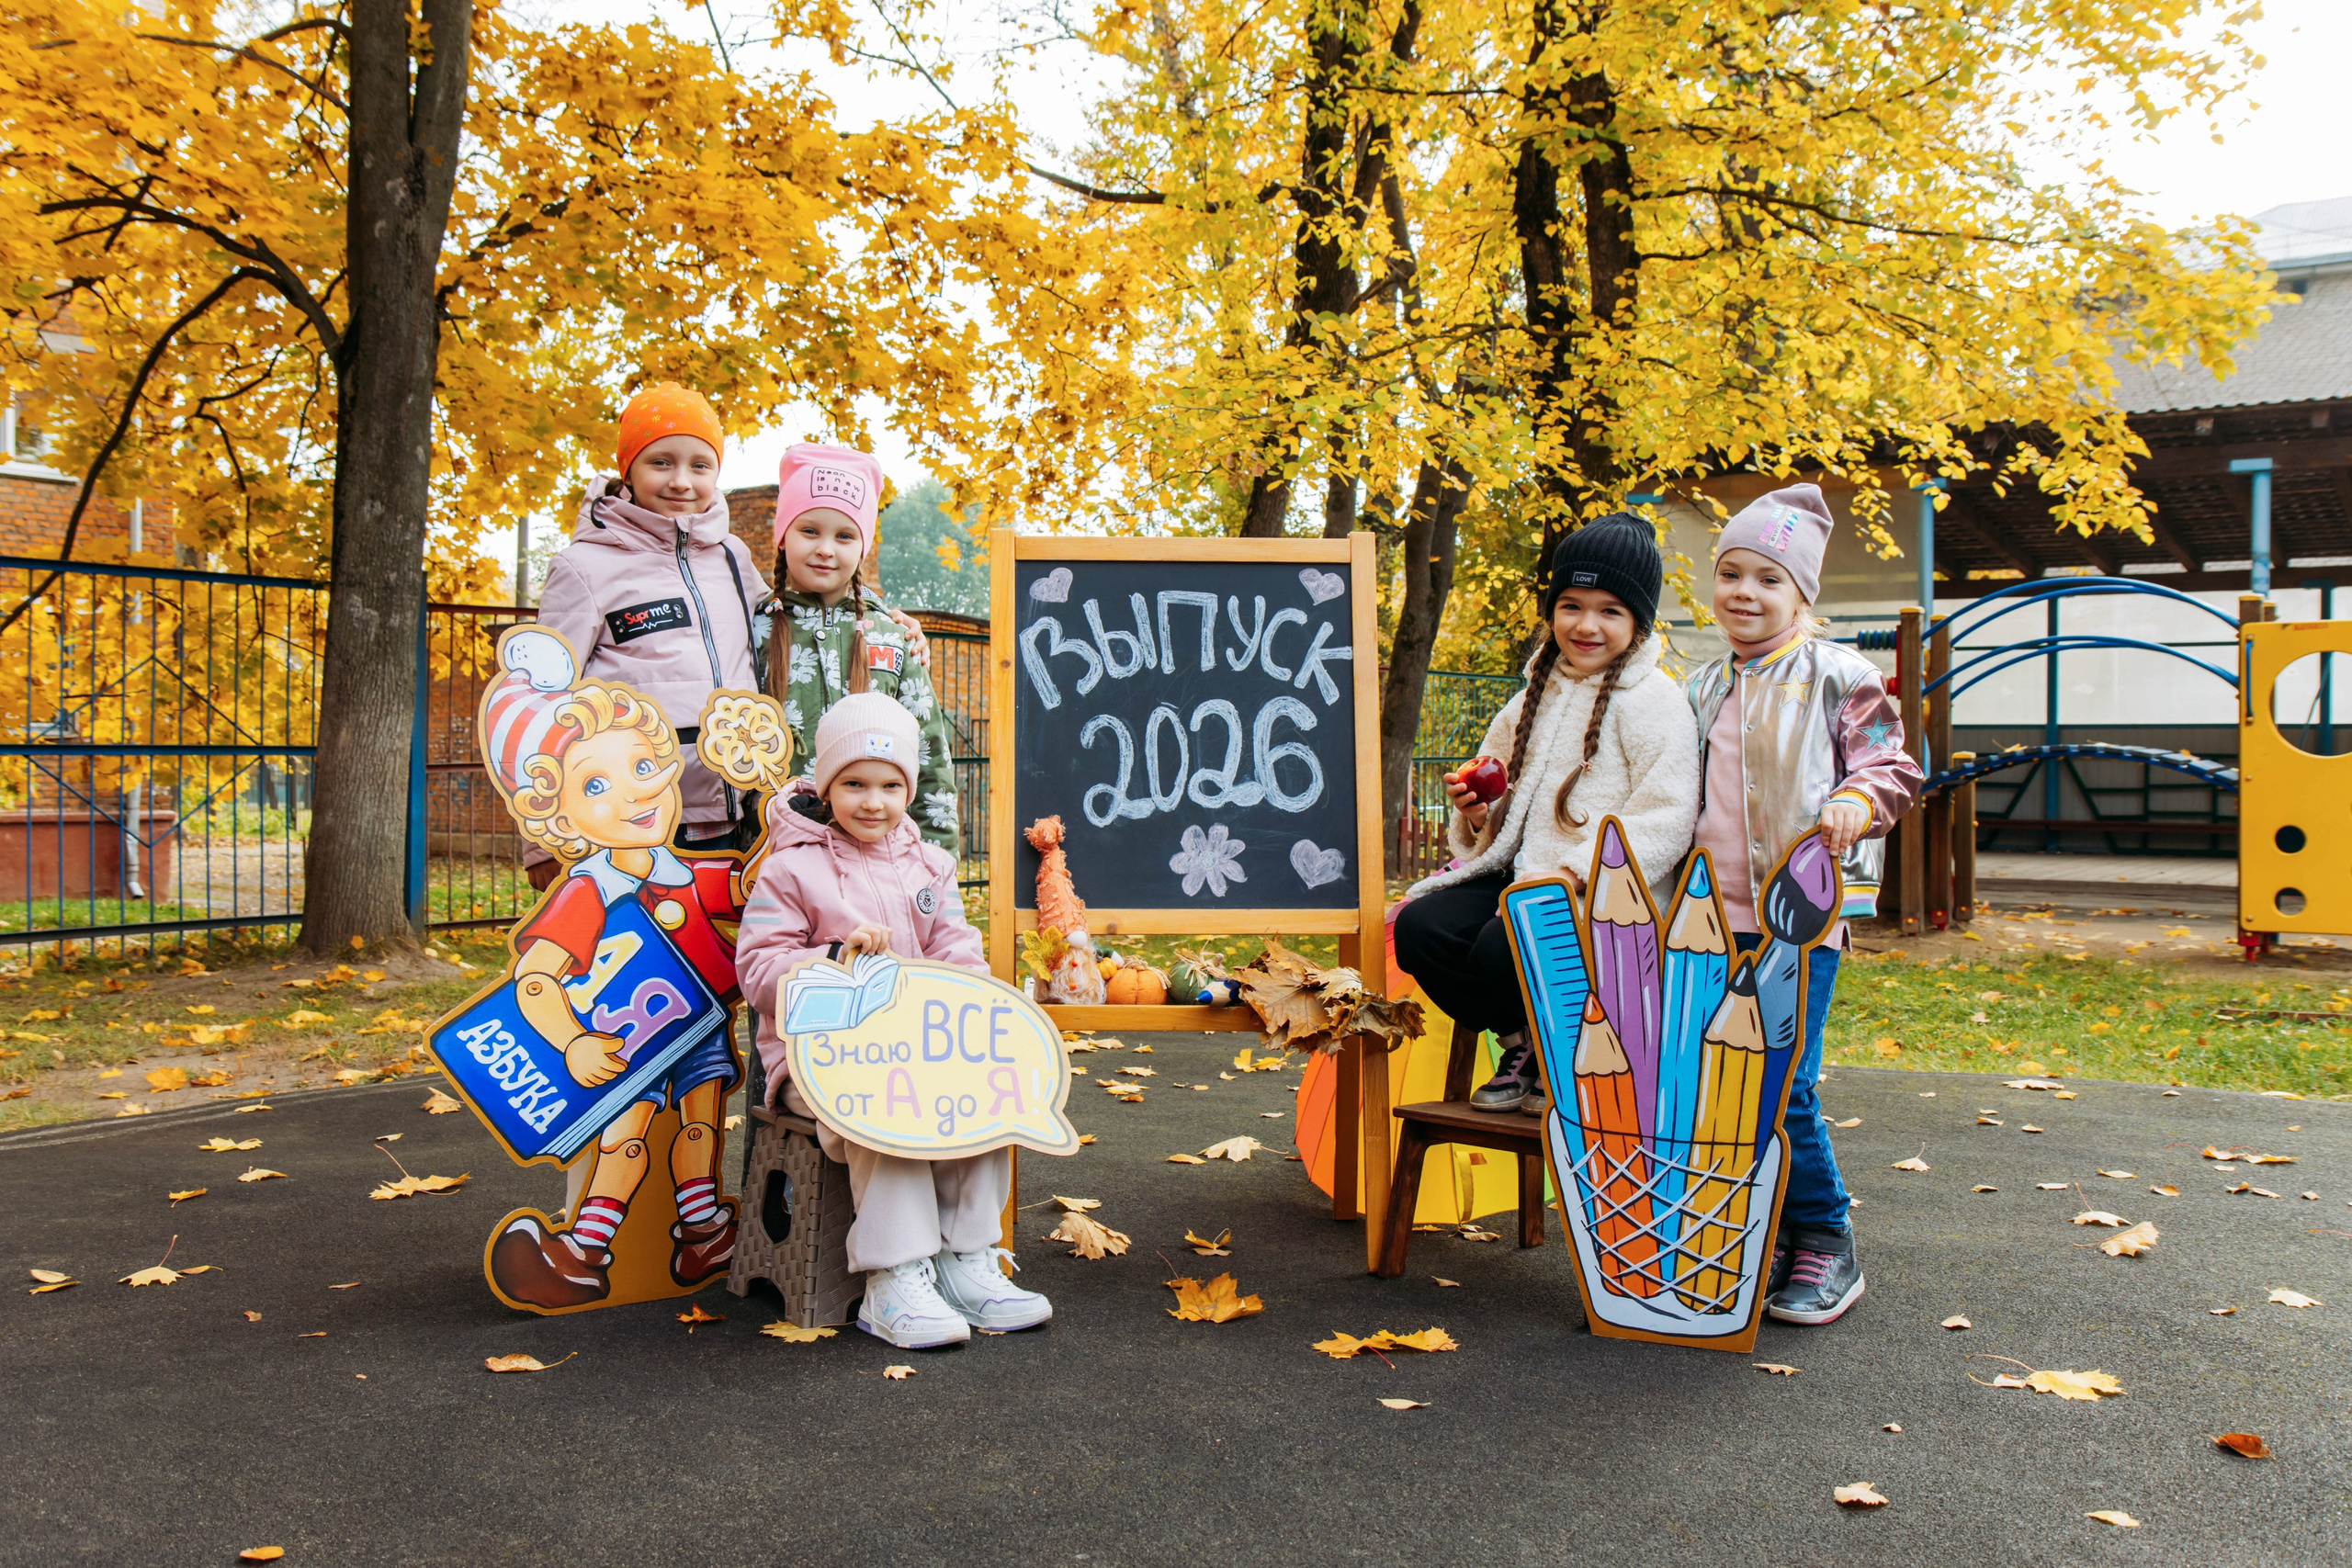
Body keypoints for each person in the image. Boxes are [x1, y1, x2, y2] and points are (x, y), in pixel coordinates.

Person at [733, 693, 1049, 1348]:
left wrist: (978, 1005)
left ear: (908, 788)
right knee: (887, 1109)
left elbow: (956, 950)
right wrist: (831, 960)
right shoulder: (792, 868)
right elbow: (759, 968)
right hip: (818, 1057)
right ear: (826, 784)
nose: (872, 801)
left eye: (889, 785)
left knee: (985, 1098)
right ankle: (895, 1277)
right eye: (853, 783)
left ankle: (967, 1258)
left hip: (921, 1044)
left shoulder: (928, 866)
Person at [1684, 482, 1922, 1326]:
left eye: (1769, 579)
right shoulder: (1702, 686)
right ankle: (1769, 1230)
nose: (1745, 592)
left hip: (1799, 921)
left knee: (1782, 1085)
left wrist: (1859, 802)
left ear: (1802, 594)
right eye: (1732, 574)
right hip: (1707, 921)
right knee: (1719, 1078)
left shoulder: (1839, 677)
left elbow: (1892, 765)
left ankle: (1826, 1236)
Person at [473, 628, 746, 1309]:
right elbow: (534, 977)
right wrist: (572, 1041)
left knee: (701, 1127)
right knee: (623, 1140)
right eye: (596, 783)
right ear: (557, 812)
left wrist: (783, 822)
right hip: (622, 1041)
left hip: (698, 1023)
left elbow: (747, 889)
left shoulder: (679, 868)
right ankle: (583, 1252)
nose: (633, 792)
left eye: (643, 765)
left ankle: (703, 1230)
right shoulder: (589, 890)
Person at [1392, 514, 1701, 1115]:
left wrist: (1580, 870)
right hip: (1519, 875)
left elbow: (1668, 815)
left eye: (1610, 611)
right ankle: (1524, 1041)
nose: (1586, 625)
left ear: (1638, 622)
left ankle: (1560, 1046)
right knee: (1420, 929)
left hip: (1599, 892)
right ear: (1552, 609)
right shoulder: (1533, 693)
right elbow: (1500, 800)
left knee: (1504, 940)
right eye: (1571, 605)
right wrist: (1478, 814)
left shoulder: (1655, 704)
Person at [527, 385, 770, 887]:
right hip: (629, 824)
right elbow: (541, 702)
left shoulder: (732, 558)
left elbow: (790, 628)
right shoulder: (583, 566)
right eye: (661, 462)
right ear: (628, 470)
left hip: (733, 820)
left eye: (700, 465)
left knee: (718, 964)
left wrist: (888, 625)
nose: (681, 481)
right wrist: (543, 840)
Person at [766, 444, 961, 855]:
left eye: (844, 535)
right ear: (783, 537)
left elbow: (930, 759)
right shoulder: (752, 631)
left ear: (863, 546)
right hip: (771, 861)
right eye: (809, 530)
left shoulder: (893, 640)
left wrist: (938, 865)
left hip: (878, 864)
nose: (825, 548)